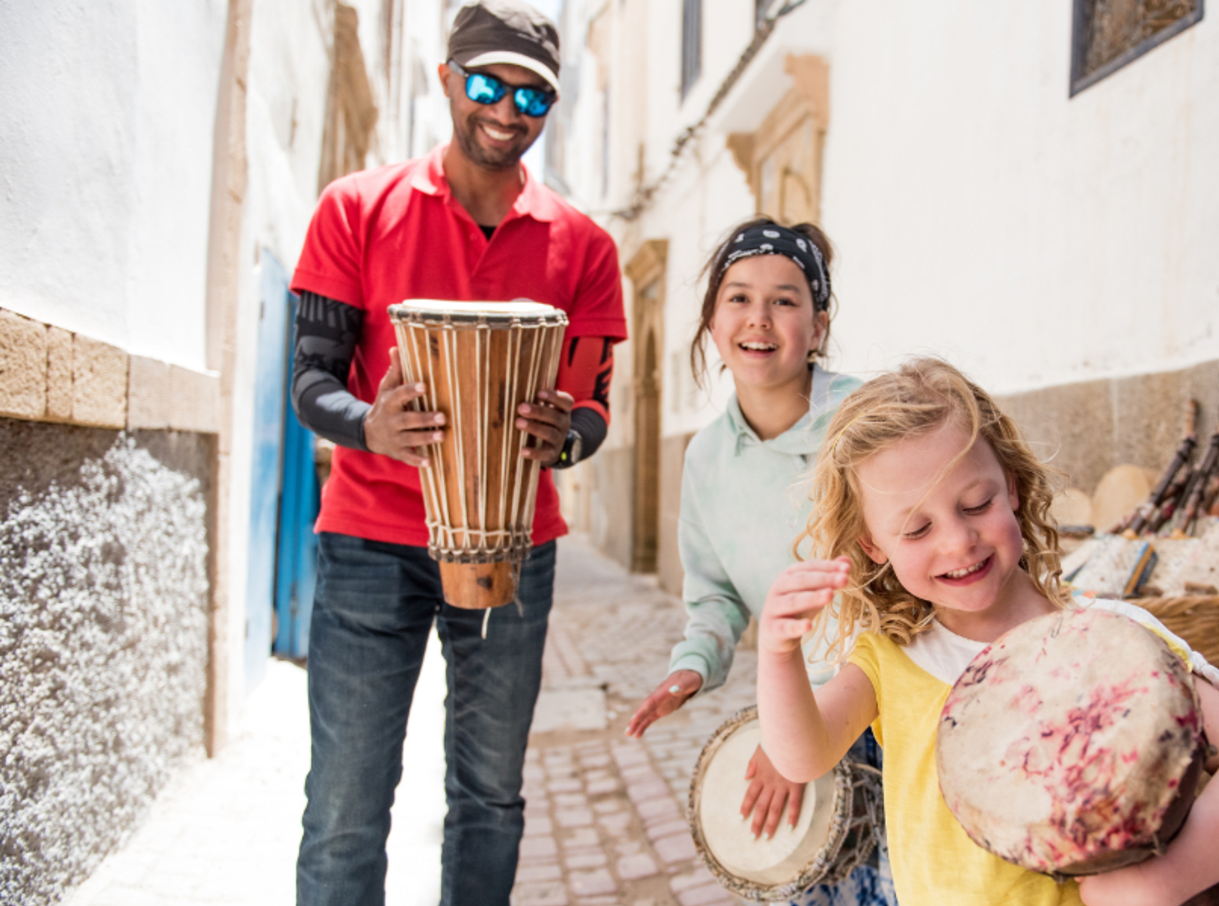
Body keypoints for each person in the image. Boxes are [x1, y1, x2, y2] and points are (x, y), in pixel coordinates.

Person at [286, 2, 626, 903]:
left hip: (515, 548)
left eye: (532, 96)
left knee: (490, 797)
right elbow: (310, 381)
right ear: (447, 79)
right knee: (346, 806)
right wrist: (369, 425)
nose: (507, 110)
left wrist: (565, 439)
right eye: (487, 84)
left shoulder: (586, 247)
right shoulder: (355, 208)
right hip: (368, 543)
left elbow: (594, 408)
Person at [755, 359, 1219, 906]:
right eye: (917, 528)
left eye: (977, 503)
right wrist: (778, 656)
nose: (958, 541)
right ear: (874, 545)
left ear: (1013, 487)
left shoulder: (1110, 642)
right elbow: (803, 758)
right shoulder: (892, 658)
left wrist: (1158, 883)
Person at [623, 219, 894, 905]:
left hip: (895, 705)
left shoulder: (872, 421)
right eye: (738, 297)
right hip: (798, 711)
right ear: (713, 322)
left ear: (819, 324)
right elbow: (714, 595)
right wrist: (693, 665)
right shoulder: (706, 460)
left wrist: (797, 739)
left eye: (785, 299)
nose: (759, 318)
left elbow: (906, 584)